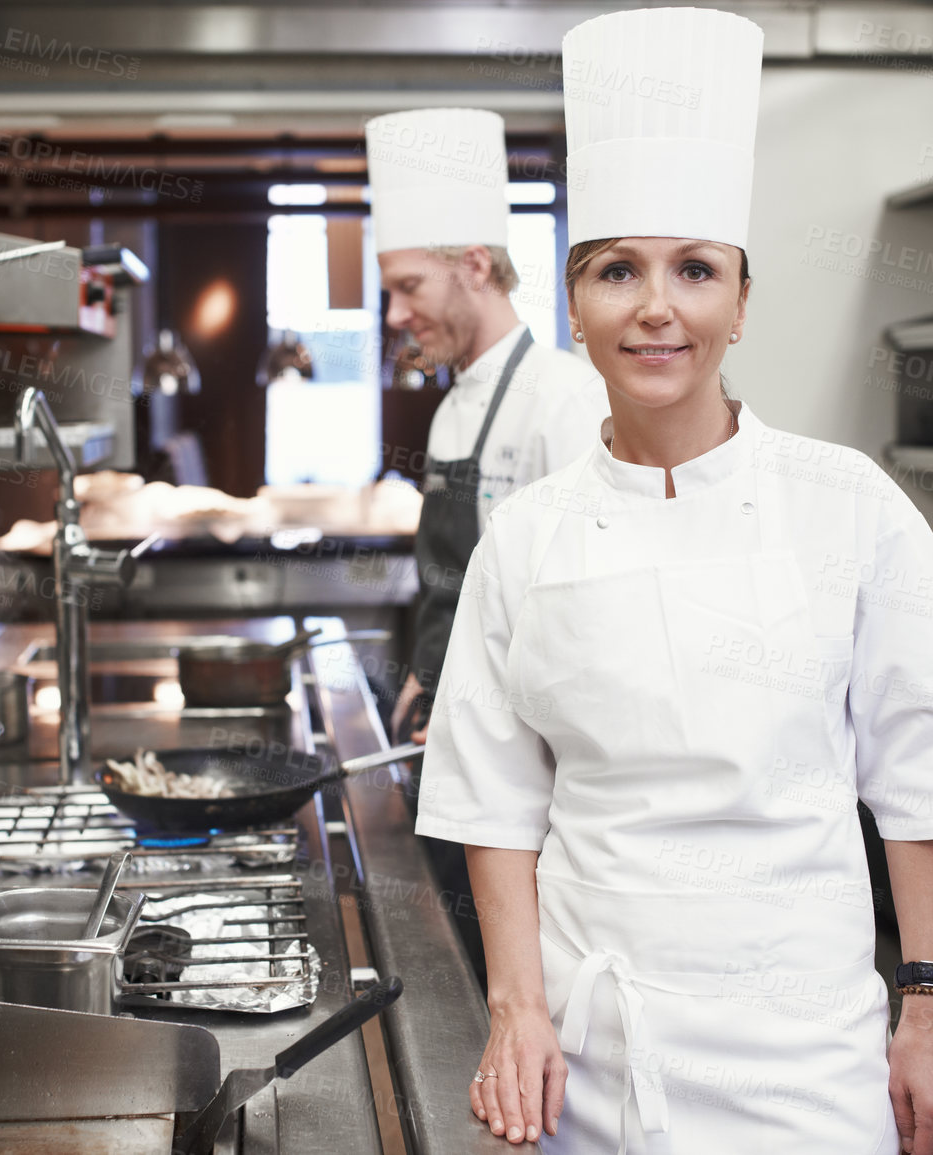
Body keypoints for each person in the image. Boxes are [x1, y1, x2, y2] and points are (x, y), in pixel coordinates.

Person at [413, 9, 933, 1155]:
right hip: (591, 1054)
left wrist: (931, 1008)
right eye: (617, 271)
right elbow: (492, 801)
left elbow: (926, 770)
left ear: (741, 302)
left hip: (806, 1056)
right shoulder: (530, 538)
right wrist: (517, 1011)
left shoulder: (845, 504)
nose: (657, 305)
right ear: (575, 304)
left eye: (695, 270)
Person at [365, 107, 608, 986]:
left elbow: (588, 608)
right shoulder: (449, 407)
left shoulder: (565, 401)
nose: (396, 313)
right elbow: (451, 578)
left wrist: (490, 712)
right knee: (460, 970)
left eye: (407, 287)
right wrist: (430, 676)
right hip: (450, 732)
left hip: (530, 766)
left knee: (526, 976)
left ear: (474, 266)